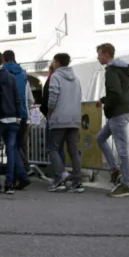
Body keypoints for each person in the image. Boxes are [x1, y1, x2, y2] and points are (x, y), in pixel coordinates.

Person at [0, 51, 30, 194]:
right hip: (13, 118)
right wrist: (18, 115)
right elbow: (18, 97)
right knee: (11, 150)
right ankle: (9, 183)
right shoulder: (11, 77)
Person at [96, 43, 129, 198]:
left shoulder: (111, 70)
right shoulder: (122, 69)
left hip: (117, 112)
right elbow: (124, 91)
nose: (98, 57)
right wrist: (103, 100)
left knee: (122, 149)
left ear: (106, 54)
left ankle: (126, 185)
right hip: (124, 110)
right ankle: (115, 170)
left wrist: (107, 108)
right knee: (100, 138)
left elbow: (115, 93)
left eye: (99, 54)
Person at [46, 53, 83, 193]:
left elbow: (53, 98)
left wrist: (49, 113)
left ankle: (61, 175)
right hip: (74, 119)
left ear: (57, 62)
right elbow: (79, 96)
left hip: (59, 118)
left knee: (53, 148)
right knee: (73, 151)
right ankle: (77, 182)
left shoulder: (56, 77)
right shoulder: (76, 79)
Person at [2, 50, 30, 172]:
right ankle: (21, 171)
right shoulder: (23, 74)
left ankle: (17, 174)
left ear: (4, 60)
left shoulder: (2, 73)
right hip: (22, 114)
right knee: (18, 146)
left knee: (11, 148)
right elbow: (28, 98)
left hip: (6, 114)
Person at [40, 64, 67, 167]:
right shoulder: (67, 80)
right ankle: (62, 171)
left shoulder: (51, 80)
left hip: (53, 118)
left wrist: (47, 112)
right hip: (67, 118)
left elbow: (47, 101)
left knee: (52, 148)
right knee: (60, 148)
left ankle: (59, 172)